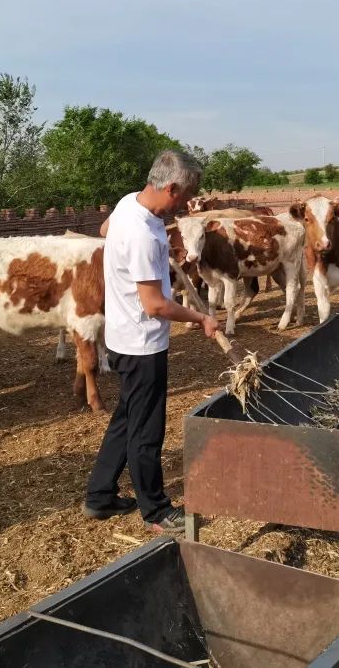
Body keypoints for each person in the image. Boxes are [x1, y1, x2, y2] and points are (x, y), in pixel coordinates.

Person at [83, 149, 219, 533]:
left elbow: (104, 230)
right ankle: (156, 511)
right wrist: (200, 317)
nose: (184, 204)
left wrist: (161, 256)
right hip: (143, 344)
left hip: (122, 337)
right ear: (170, 186)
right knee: (146, 431)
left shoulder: (129, 204)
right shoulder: (142, 232)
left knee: (127, 419)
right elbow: (156, 305)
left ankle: (100, 496)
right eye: (185, 195)